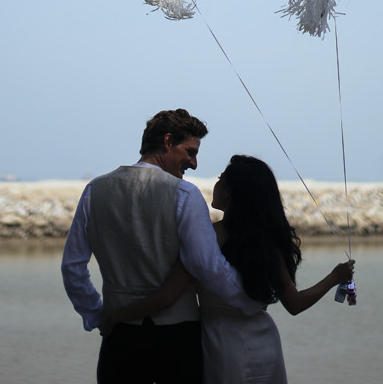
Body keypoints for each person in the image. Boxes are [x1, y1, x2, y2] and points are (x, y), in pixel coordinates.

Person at [102, 154, 355, 383]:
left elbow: (167, 296)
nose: (216, 183)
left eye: (220, 179)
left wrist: (117, 315)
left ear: (230, 193)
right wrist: (334, 277)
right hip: (265, 339)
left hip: (221, 343)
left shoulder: (205, 237)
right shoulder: (266, 242)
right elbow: (295, 304)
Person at [61, 109, 258, 384]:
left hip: (120, 338)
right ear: (167, 142)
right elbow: (208, 266)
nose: (194, 163)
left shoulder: (95, 190)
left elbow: (72, 267)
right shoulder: (185, 194)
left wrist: (97, 314)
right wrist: (250, 300)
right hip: (177, 339)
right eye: (190, 152)